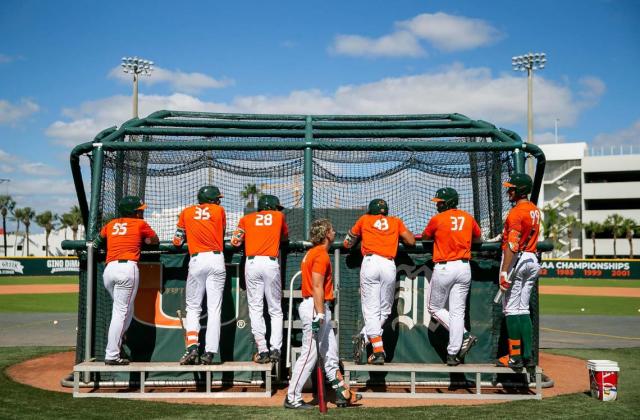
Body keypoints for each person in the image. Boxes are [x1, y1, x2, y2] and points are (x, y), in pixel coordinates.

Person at [284, 219, 361, 409]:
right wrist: (319, 314)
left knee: (330, 353)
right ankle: (292, 397)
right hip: (314, 306)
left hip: (317, 306)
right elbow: (317, 286)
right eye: (332, 230)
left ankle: (342, 393)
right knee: (309, 354)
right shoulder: (320, 254)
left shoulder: (315, 252)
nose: (334, 232)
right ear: (326, 233)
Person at [343, 199, 415, 365]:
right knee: (384, 311)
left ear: (370, 210)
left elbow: (347, 243)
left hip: (371, 262)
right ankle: (365, 338)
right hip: (389, 264)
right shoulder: (395, 221)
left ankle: (377, 349)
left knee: (371, 311)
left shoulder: (364, 219)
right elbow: (411, 241)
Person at [422, 188, 482, 366]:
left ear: (447, 203)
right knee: (457, 312)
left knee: (434, 308)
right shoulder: (468, 217)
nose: (437, 205)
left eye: (439, 202)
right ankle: (453, 354)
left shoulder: (438, 219)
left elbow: (425, 237)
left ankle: (464, 334)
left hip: (445, 267)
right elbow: (478, 239)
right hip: (464, 267)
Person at [96, 196, 159, 365]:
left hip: (109, 271)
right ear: (134, 212)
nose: (142, 212)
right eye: (140, 210)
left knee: (126, 311)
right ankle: (112, 354)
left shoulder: (110, 224)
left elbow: (97, 242)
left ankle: (118, 343)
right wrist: (144, 240)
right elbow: (155, 240)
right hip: (126, 269)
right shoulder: (140, 224)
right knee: (121, 313)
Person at [231, 194, 288, 364]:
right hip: (270, 263)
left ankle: (262, 350)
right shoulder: (279, 216)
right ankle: (276, 349)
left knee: (255, 308)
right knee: (275, 309)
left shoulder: (246, 218)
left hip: (252, 263)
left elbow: (235, 241)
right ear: (273, 207)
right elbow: (285, 238)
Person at [173, 186, 227, 365]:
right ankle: (210, 353)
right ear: (212, 200)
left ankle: (192, 347)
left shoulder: (186, 212)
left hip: (196, 260)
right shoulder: (219, 211)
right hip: (216, 259)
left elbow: (177, 242)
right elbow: (222, 232)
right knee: (214, 309)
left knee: (193, 308)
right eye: (217, 198)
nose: (219, 201)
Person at [496, 173, 541, 369]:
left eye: (512, 188)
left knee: (511, 310)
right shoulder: (534, 209)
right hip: (532, 259)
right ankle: (528, 355)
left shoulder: (516, 212)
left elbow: (513, 245)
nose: (508, 191)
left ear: (520, 190)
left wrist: (505, 271)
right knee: (523, 308)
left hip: (517, 261)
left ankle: (514, 357)